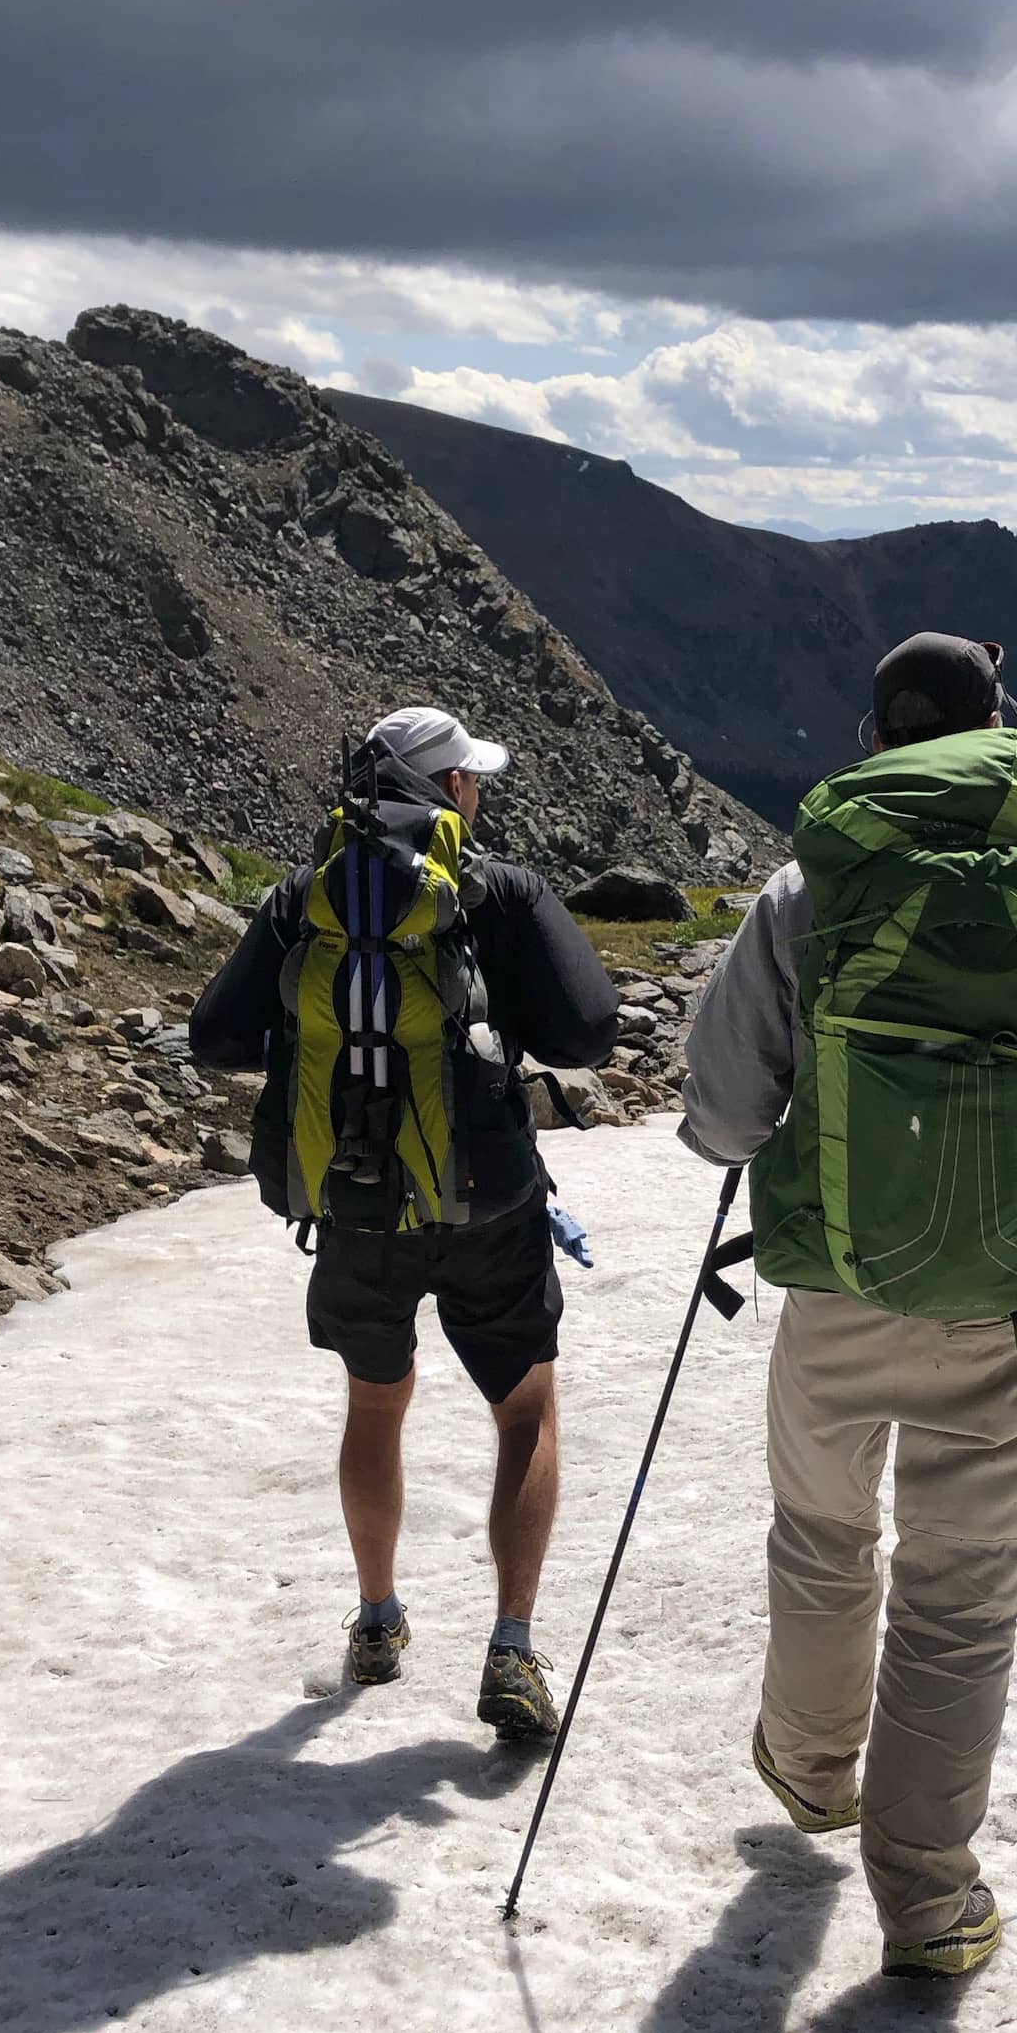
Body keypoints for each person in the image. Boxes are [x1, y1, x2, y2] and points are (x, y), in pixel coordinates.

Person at [680, 634, 1017, 1978]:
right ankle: (930, 1898)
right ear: (997, 720)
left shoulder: (806, 887)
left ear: (876, 732)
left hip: (838, 1278)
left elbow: (721, 1118)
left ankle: (813, 1765)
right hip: (1008, 1295)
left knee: (825, 1529)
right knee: (961, 1591)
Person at [190, 706, 619, 1739]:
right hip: (489, 1201)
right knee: (524, 1412)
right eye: (469, 776)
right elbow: (590, 1032)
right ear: (444, 788)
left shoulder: (305, 894)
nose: (479, 790)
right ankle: (511, 1647)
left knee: (374, 1404)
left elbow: (215, 1035)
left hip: (353, 1201)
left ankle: (377, 1620)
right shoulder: (496, 889)